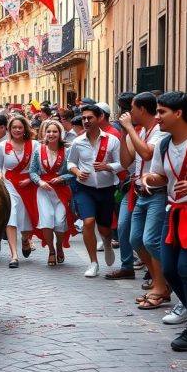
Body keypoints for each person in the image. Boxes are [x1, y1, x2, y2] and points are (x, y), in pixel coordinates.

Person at [142, 92, 187, 351]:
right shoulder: (163, 145)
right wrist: (151, 179)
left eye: (162, 112)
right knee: (169, 269)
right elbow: (160, 175)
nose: (157, 117)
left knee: (184, 267)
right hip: (174, 211)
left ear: (179, 113)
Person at [114, 93, 168, 309]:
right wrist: (123, 134)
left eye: (132, 109)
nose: (129, 113)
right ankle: (159, 282)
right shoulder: (141, 132)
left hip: (157, 192)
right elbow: (126, 161)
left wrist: (127, 129)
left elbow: (146, 154)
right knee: (136, 239)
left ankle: (161, 285)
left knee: (150, 241)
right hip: (139, 192)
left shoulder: (158, 133)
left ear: (142, 110)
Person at [68, 104, 122, 277]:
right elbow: (70, 163)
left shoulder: (112, 140)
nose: (86, 121)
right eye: (83, 118)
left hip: (106, 189)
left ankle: (106, 241)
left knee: (105, 228)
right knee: (88, 222)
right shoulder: (78, 142)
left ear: (99, 118)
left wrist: (107, 166)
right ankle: (93, 263)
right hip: (85, 189)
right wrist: (77, 172)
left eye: (89, 118)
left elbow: (122, 163)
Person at [0, 116, 39, 268]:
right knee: (11, 217)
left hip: (28, 185)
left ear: (25, 128)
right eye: (14, 127)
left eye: (20, 127)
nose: (17, 130)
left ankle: (25, 239)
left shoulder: (34, 145)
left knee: (27, 220)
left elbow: (39, 167)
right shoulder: (2, 146)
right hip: (10, 185)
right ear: (9, 129)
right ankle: (14, 255)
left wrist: (32, 179)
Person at [29, 120, 76, 266]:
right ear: (44, 133)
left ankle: (59, 246)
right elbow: (32, 171)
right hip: (44, 191)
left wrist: (62, 177)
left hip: (61, 191)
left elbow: (73, 172)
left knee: (61, 221)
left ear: (60, 133)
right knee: (47, 220)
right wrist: (40, 182)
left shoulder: (67, 151)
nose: (51, 134)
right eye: (48, 131)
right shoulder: (38, 151)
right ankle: (51, 250)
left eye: (55, 131)